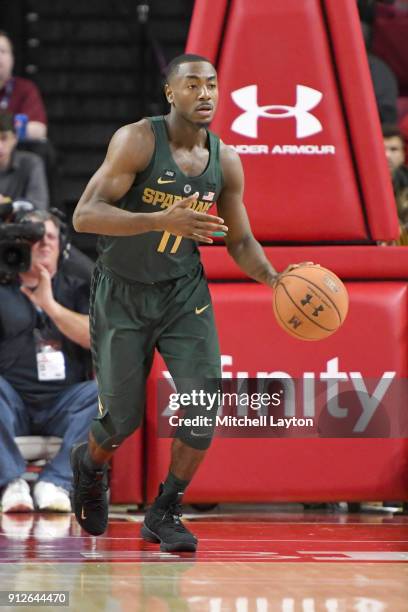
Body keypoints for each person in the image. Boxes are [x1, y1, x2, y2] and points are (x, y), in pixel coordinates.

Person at [70, 53, 296, 551]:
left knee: (202, 403)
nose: (205, 94)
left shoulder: (226, 160)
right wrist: (158, 220)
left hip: (183, 294)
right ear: (171, 93)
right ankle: (90, 467)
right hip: (123, 291)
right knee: (120, 422)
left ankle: (165, 509)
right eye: (193, 85)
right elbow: (85, 216)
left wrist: (274, 278)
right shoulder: (137, 140)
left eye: (212, 84)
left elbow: (239, 241)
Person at [0, 210, 98, 513]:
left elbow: (95, 339)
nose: (43, 243)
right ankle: (11, 482)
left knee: (107, 395)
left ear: (62, 245)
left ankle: (56, 481)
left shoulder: (78, 288)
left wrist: (50, 307)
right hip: (11, 402)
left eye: (50, 237)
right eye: (34, 238)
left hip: (63, 402)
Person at [0, 31, 47, 140]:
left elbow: (39, 129)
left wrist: (4, 126)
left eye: (2, 51)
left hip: (16, 153)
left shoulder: (25, 88)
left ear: (12, 58)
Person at [0, 110, 49, 209]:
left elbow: (38, 204)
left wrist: (7, 205)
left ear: (15, 138)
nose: (0, 146)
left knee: (47, 223)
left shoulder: (31, 163)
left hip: (21, 222)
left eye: (4, 138)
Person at [382, 124, 408, 244]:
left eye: (394, 149)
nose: (387, 155)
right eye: (381, 149)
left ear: (403, 154)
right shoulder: (357, 187)